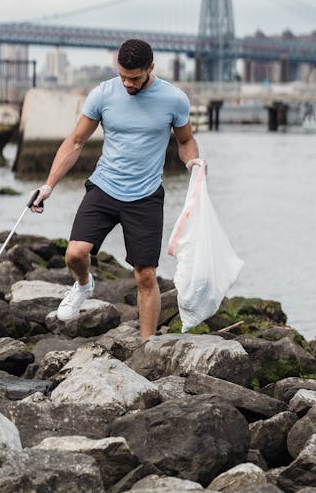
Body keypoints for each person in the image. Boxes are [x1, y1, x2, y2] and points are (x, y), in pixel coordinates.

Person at [30, 38, 203, 340]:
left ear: (150, 68)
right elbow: (75, 142)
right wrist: (48, 185)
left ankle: (146, 346)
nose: (127, 83)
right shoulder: (103, 94)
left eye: (134, 78)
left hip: (146, 196)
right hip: (104, 187)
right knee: (74, 254)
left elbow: (185, 141)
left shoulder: (174, 99)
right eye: (122, 75)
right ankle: (84, 284)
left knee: (146, 275)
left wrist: (193, 165)